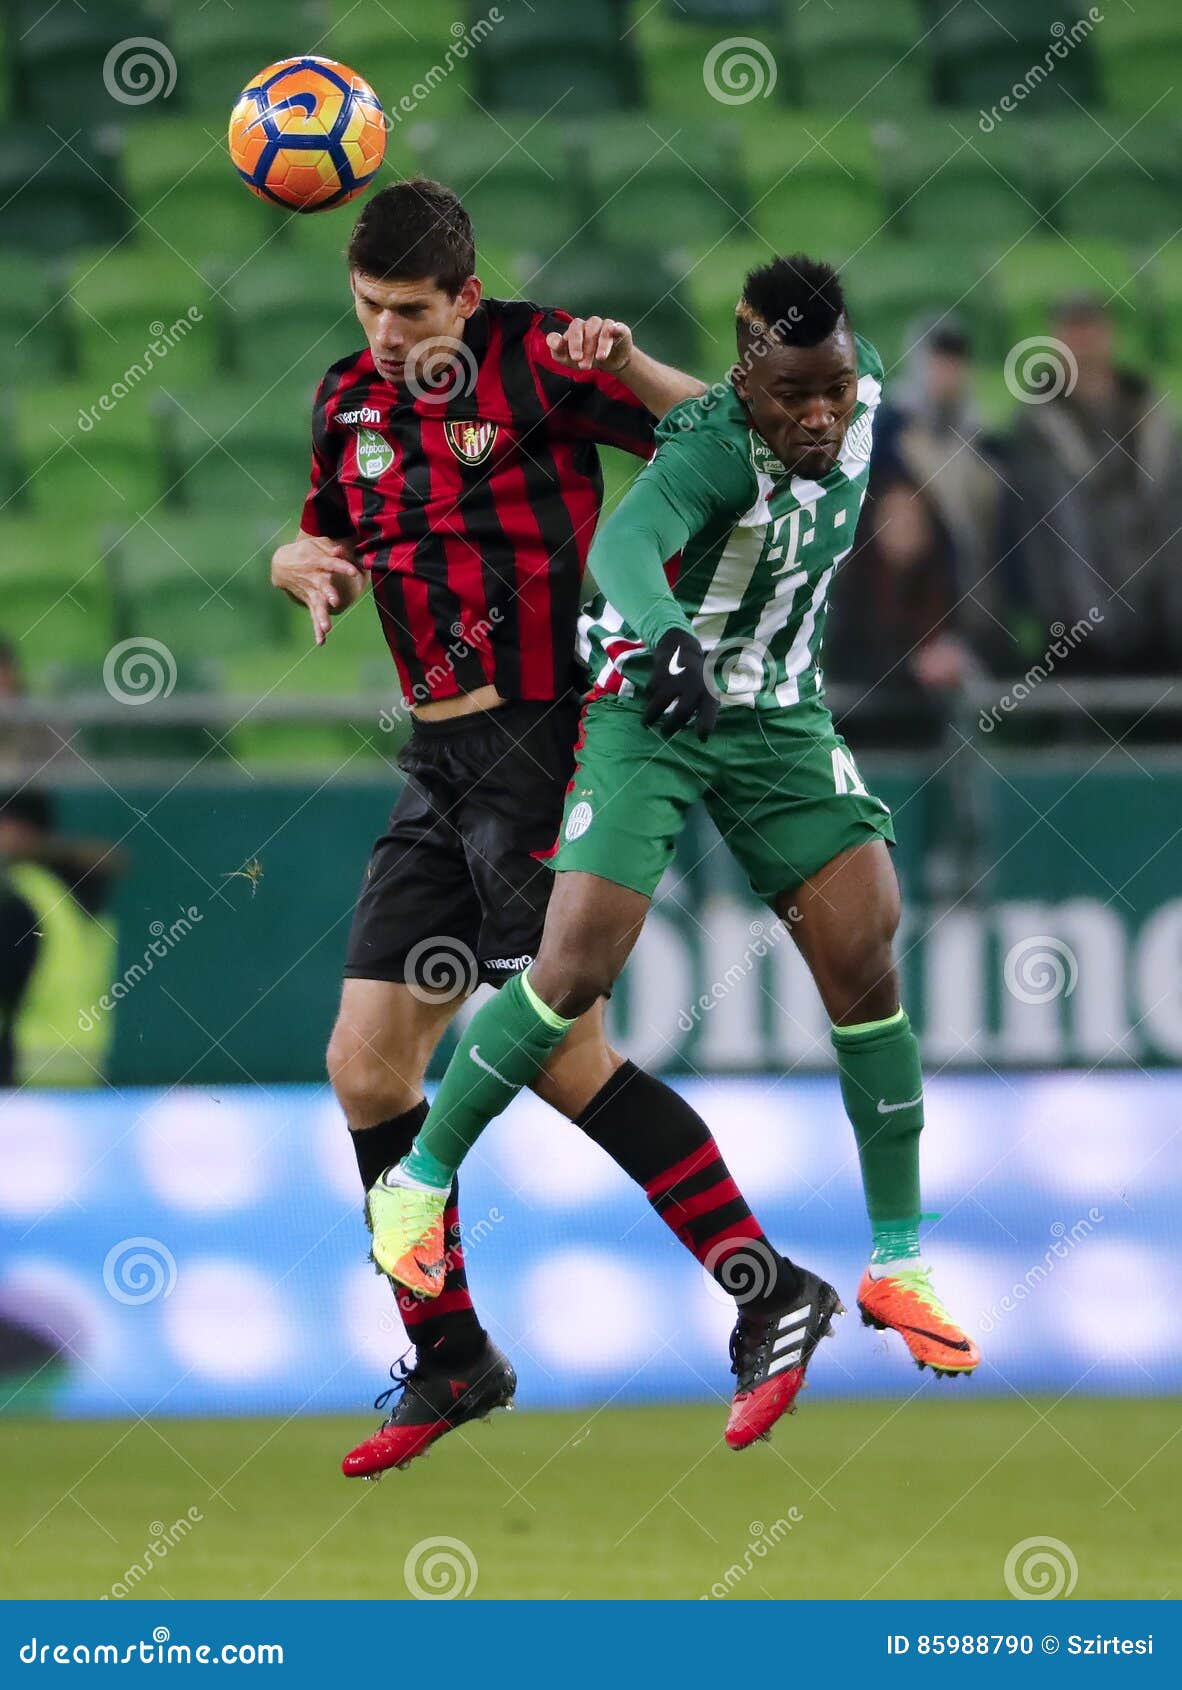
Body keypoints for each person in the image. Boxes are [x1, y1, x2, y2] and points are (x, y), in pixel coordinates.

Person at [271, 183, 839, 1479]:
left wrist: (628, 359)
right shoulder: (347, 401)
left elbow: (729, 430)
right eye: (366, 308)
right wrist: (298, 564)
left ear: (464, 298)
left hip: (542, 746)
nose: (385, 333)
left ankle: (767, 1287)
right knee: (367, 1065)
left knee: (561, 1056)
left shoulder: (536, 357)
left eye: (409, 311)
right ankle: (452, 1352)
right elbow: (324, 531)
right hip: (435, 760)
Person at [372, 255, 980, 1382]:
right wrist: (666, 640)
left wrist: (648, 364)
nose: (820, 413)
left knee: (867, 941)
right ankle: (417, 1186)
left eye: (833, 390)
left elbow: (749, 391)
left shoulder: (850, 387)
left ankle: (899, 1259)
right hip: (656, 700)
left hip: (779, 717)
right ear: (753, 382)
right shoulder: (708, 447)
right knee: (574, 967)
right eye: (795, 394)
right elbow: (620, 548)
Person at [1005, 294, 1182, 673]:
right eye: (1071, 329)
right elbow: (1032, 531)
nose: (1082, 341)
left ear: (1109, 334)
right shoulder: (1036, 428)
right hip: (1074, 624)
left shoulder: (1151, 416)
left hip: (1159, 615)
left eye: (1090, 328)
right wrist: (1053, 613)